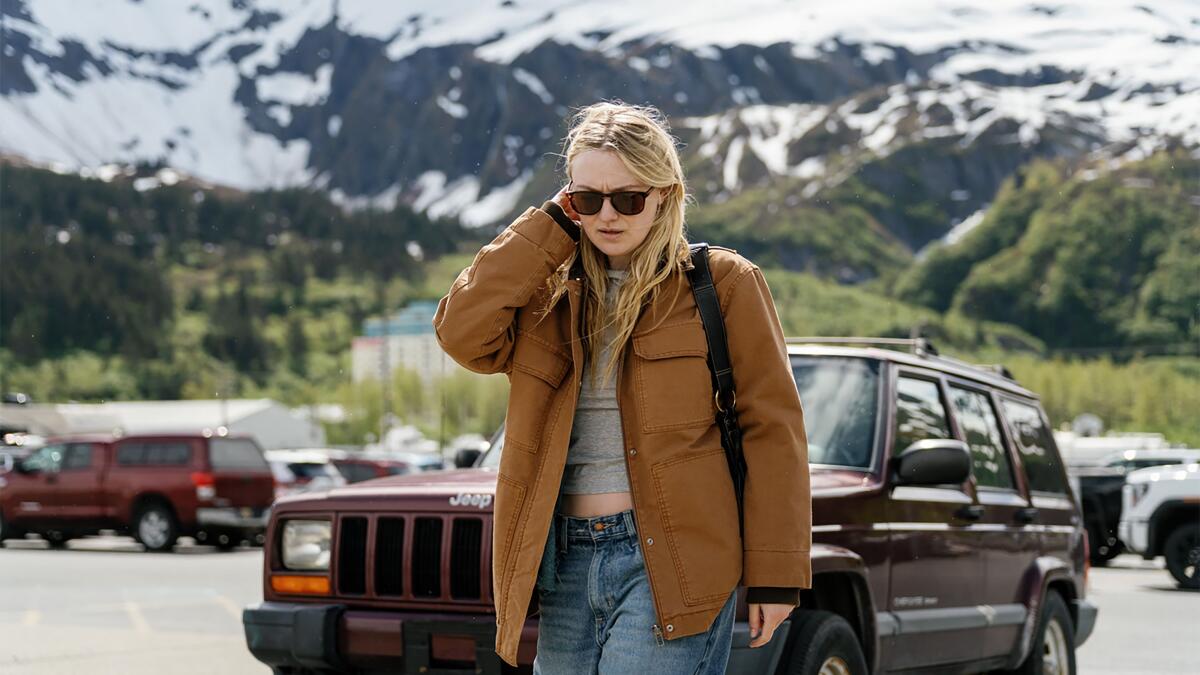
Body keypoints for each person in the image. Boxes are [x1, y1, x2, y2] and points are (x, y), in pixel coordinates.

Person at [433, 100, 811, 674]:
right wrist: (548, 229)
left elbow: (773, 432)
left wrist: (777, 575)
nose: (607, 215)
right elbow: (461, 334)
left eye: (628, 198)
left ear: (665, 195)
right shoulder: (544, 296)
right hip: (560, 558)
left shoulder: (725, 284)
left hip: (674, 558)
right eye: (587, 199)